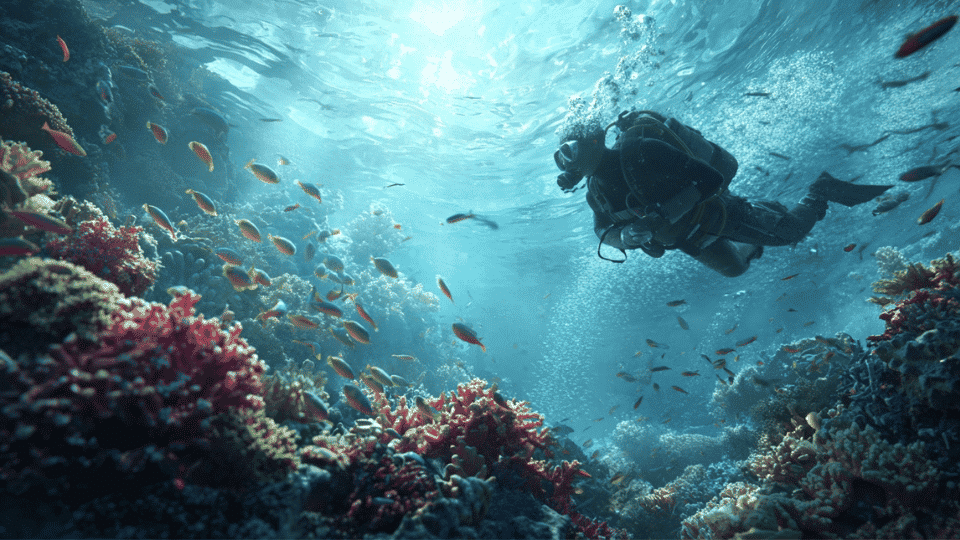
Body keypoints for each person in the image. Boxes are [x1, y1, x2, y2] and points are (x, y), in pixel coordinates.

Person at [554, 110, 892, 277]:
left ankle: (819, 191)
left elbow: (712, 179)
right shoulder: (595, 193)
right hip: (688, 238)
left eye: (567, 151)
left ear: (594, 140)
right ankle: (768, 211)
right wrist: (625, 237)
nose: (565, 163)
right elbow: (601, 230)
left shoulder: (643, 149)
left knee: (790, 232)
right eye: (560, 158)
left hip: (715, 212)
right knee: (735, 270)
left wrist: (666, 214)